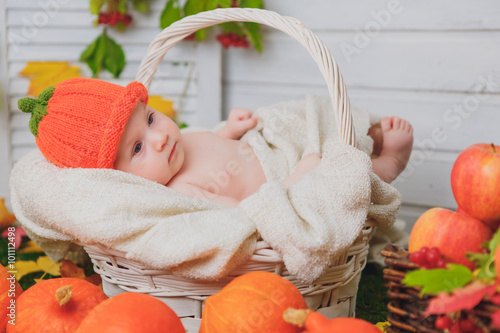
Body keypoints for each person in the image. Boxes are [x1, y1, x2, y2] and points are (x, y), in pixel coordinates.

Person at [19, 78, 413, 208]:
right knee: (337, 178)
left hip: (270, 146)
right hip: (287, 183)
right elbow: (249, 215)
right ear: (117, 178)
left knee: (296, 112)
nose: (159, 138)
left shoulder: (175, 146)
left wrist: (230, 129)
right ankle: (385, 165)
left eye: (151, 118)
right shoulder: (181, 193)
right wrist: (296, 183)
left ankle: (365, 131)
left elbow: (208, 139)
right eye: (137, 149)